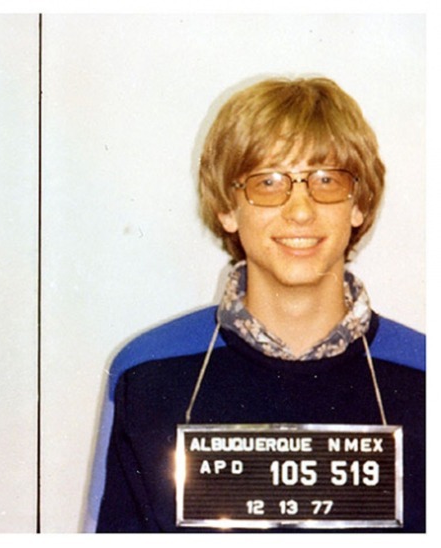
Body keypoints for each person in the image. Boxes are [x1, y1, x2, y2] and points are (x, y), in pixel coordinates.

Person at [89, 77, 425, 533]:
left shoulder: (426, 377)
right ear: (229, 207)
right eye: (268, 183)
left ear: (358, 205)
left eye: (326, 180)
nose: (300, 210)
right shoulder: (146, 375)